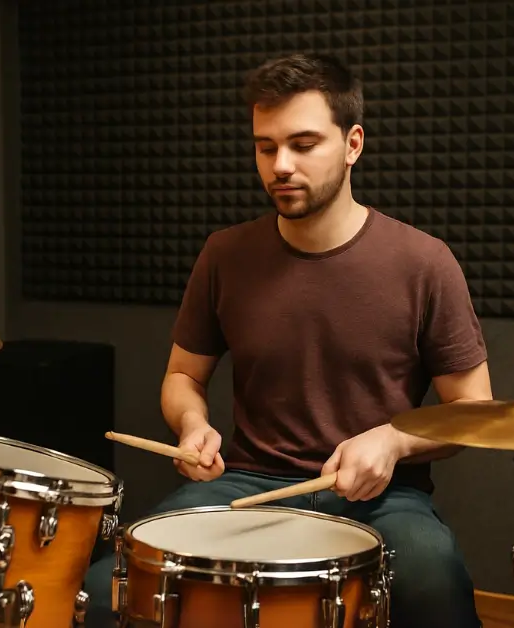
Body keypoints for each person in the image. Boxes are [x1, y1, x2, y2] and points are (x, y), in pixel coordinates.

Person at [83, 52, 492, 628]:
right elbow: (183, 377)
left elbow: (474, 410)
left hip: (380, 498)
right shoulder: (225, 255)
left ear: (353, 144)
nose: (280, 165)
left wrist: (394, 441)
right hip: (247, 483)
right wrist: (192, 426)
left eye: (303, 145)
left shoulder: (424, 262)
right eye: (265, 146)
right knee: (107, 588)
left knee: (434, 579)